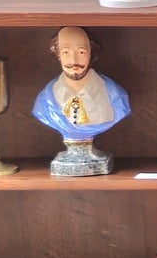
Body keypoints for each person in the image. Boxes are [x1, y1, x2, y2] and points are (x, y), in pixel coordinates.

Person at [31, 26, 130, 174]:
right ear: (57, 54)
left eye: (81, 52)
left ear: (91, 53)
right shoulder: (45, 102)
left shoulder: (116, 97)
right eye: (66, 52)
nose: (73, 60)